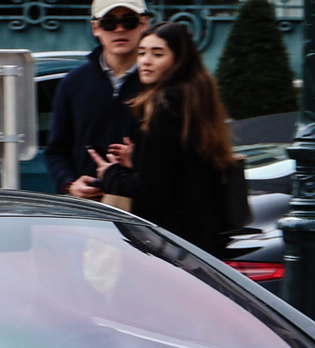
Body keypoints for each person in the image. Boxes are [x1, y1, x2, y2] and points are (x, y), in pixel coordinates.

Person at [82, 19, 243, 256]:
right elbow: (183, 166)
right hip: (199, 239)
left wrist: (110, 175)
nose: (145, 61)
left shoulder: (165, 105)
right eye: (142, 52)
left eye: (157, 54)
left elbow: (151, 193)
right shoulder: (196, 98)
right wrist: (138, 158)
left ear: (178, 61)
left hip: (169, 241)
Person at [48, 0, 148, 197]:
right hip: (90, 211)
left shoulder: (160, 83)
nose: (119, 29)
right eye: (109, 22)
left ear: (144, 24)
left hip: (146, 209)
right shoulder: (73, 83)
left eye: (129, 21)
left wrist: (137, 158)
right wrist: (69, 184)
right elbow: (56, 151)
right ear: (96, 28)